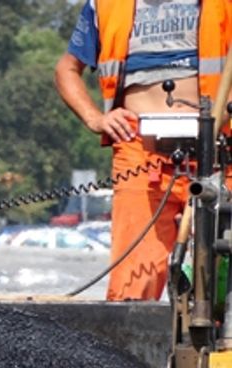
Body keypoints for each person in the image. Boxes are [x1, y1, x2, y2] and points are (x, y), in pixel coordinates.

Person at [55, 0, 232, 301]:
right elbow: (67, 69)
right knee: (134, 284)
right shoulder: (105, 6)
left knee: (219, 278)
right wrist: (95, 118)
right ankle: (128, 344)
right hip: (141, 155)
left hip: (219, 151)